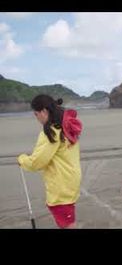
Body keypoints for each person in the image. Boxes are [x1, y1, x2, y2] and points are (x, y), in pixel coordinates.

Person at [17, 95, 82, 229]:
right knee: (68, 221)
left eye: (36, 114)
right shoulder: (66, 125)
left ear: (44, 112)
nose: (37, 118)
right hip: (70, 182)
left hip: (61, 187)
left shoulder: (52, 131)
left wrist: (22, 160)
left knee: (68, 225)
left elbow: (37, 162)